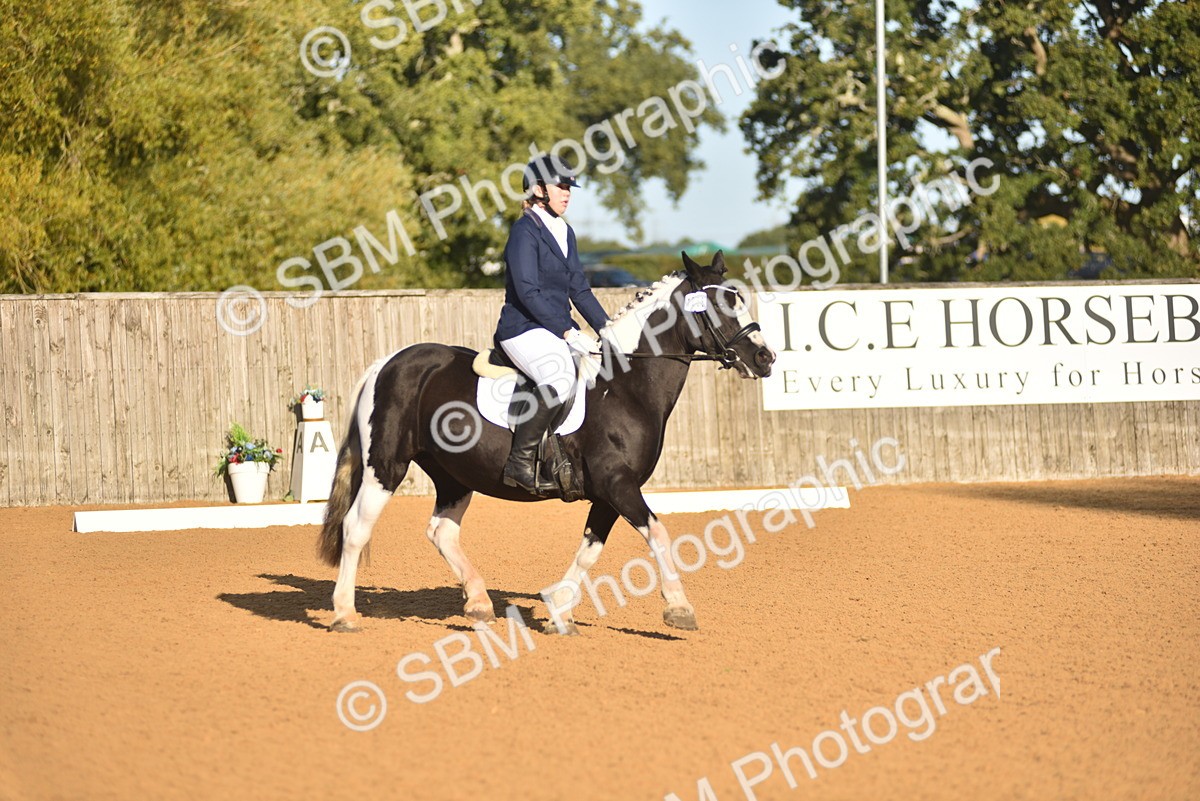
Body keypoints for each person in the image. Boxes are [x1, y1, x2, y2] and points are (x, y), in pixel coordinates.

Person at [494, 154, 610, 494]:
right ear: (539, 189)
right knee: (559, 376)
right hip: (522, 329)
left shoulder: (565, 232)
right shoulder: (524, 231)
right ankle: (520, 461)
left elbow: (579, 289)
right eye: (561, 186)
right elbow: (528, 292)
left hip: (552, 328)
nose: (567, 193)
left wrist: (608, 331)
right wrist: (568, 331)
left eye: (569, 187)